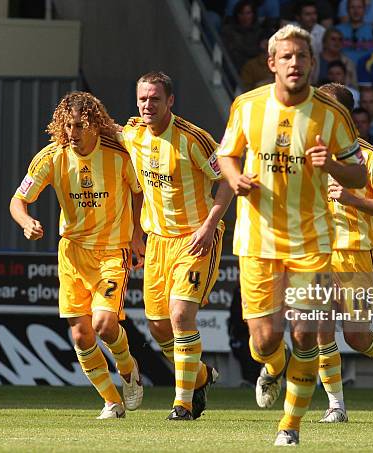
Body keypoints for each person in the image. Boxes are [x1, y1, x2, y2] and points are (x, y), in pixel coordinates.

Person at [217, 24, 366, 447]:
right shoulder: (246, 106)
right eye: (286, 56)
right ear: (272, 63)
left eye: (302, 56)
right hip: (257, 240)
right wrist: (235, 178)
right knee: (264, 342)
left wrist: (332, 166)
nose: (295, 63)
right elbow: (225, 155)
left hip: (313, 242)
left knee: (306, 331)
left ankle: (290, 426)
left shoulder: (332, 113)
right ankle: (271, 367)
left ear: (312, 62)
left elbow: (359, 173)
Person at [10, 91, 144, 419]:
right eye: (68, 125)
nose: (72, 133)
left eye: (80, 126)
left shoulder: (119, 154)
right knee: (81, 335)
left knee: (104, 324)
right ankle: (112, 402)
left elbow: (140, 194)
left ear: (96, 125)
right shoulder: (52, 156)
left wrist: (137, 236)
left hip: (112, 252)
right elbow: (18, 200)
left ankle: (128, 370)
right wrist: (27, 222)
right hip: (72, 253)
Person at [117, 71, 233, 421]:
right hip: (157, 242)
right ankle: (199, 376)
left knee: (181, 315)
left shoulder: (193, 139)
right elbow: (109, 128)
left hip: (196, 239)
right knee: (158, 326)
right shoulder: (135, 133)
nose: (147, 104)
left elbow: (227, 179)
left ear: (170, 101)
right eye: (142, 99)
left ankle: (182, 404)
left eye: (155, 98)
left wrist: (210, 225)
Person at [315, 83, 373, 424]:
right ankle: (336, 405)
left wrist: (352, 200)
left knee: (355, 335)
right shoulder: (308, 155)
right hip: (317, 252)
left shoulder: (369, 156)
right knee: (319, 326)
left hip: (356, 254)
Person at [335, 0, 373, 66]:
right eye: (352, 7)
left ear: (365, 10)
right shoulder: (336, 30)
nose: (356, 11)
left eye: (359, 7)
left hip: (367, 70)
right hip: (342, 70)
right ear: (347, 10)